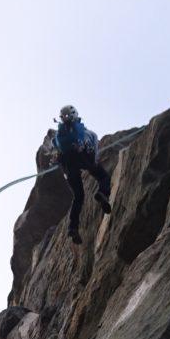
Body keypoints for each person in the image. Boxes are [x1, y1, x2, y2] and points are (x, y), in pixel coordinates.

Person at [52, 105, 112, 244]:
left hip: (68, 164)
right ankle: (103, 193)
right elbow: (93, 144)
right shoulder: (82, 130)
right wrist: (94, 161)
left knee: (78, 197)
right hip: (82, 157)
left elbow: (54, 144)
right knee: (103, 176)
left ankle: (73, 228)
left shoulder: (60, 133)